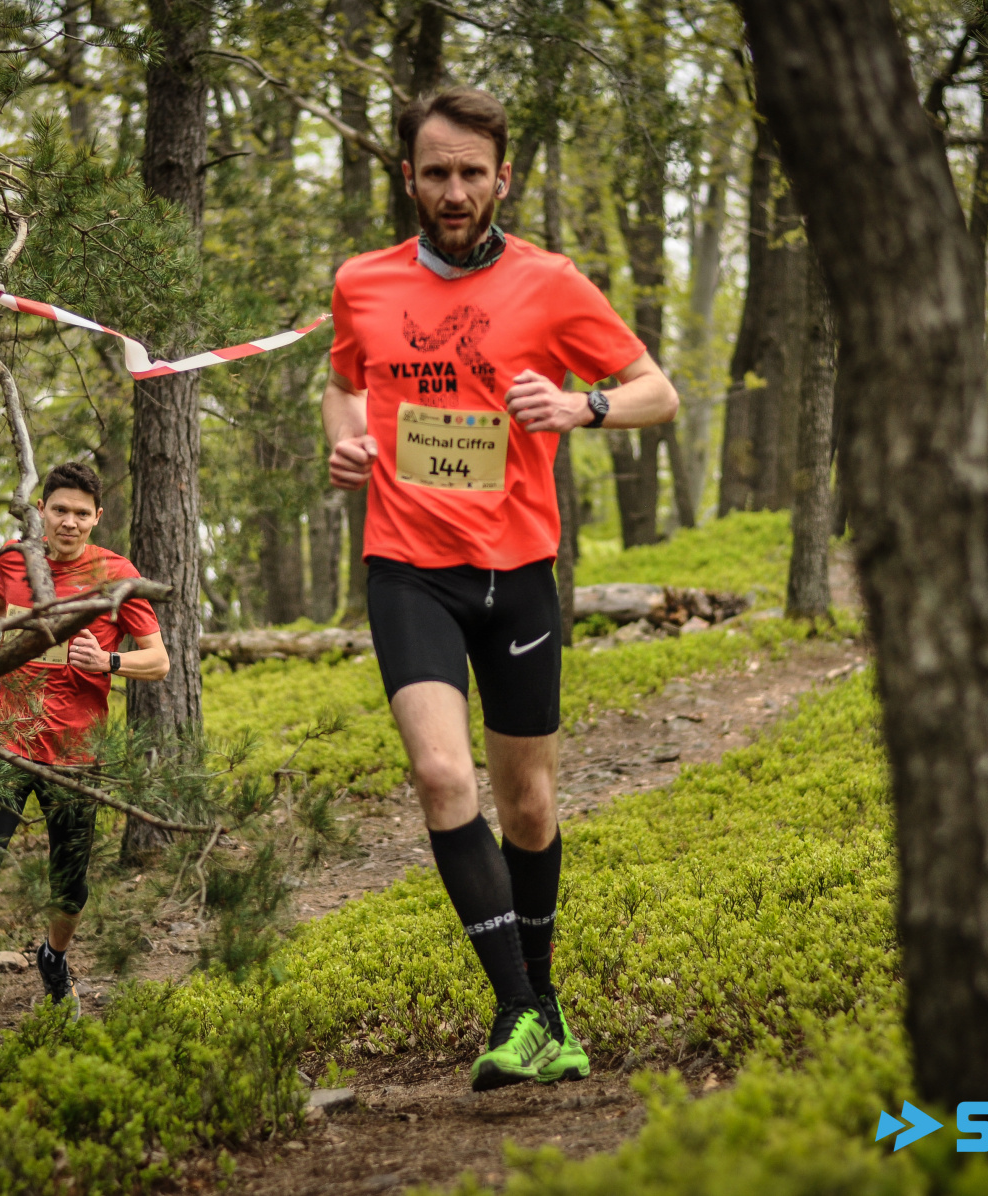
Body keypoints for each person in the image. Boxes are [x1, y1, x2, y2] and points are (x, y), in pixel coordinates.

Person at [323, 87, 679, 1091]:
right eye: (436, 172)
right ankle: (518, 1006)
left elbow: (659, 391)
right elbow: (343, 384)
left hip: (518, 571)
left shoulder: (551, 282)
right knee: (443, 776)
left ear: (503, 178)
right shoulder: (362, 282)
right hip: (407, 566)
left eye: (471, 172)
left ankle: (544, 1001)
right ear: (409, 178)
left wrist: (580, 405)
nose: (454, 190)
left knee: (528, 800)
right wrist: (345, 442)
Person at [0, 461, 169, 1061]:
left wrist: (110, 663)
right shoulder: (16, 558)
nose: (69, 522)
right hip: (7, 742)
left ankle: (53, 958)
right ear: (41, 510)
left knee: (68, 890)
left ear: (97, 518)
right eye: (60, 510)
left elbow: (160, 660)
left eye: (81, 513)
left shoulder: (117, 574)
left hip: (76, 755)